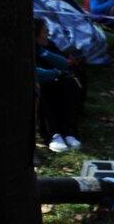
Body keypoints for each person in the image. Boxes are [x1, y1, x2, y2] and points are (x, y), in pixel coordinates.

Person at [34, 18, 85, 153]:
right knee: (41, 89)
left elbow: (64, 64)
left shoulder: (47, 46)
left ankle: (69, 132)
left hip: (55, 82)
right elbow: (35, 73)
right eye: (45, 32)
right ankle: (53, 135)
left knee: (69, 83)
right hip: (39, 87)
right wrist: (56, 73)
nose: (48, 35)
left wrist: (44, 53)